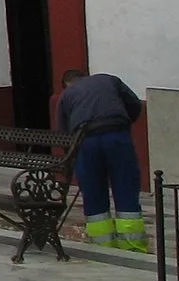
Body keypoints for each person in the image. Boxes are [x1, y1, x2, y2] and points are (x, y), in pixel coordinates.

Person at [57, 68, 147, 251]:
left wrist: (72, 158)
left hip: (86, 142)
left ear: (67, 84)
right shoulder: (109, 80)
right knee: (125, 187)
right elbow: (135, 104)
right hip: (117, 135)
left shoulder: (67, 95)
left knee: (93, 192)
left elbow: (63, 132)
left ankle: (103, 246)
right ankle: (133, 247)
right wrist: (124, 123)